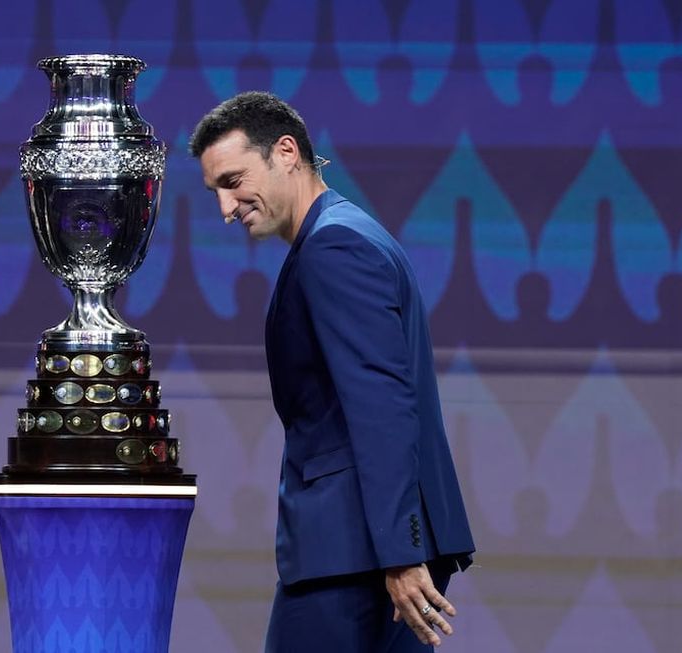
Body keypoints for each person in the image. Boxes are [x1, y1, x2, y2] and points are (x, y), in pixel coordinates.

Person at [189, 92, 476, 652]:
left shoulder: (335, 245)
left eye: (232, 180)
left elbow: (384, 407)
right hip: (364, 550)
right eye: (215, 192)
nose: (226, 207)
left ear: (287, 152)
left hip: (356, 556)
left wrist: (399, 555)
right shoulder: (347, 234)